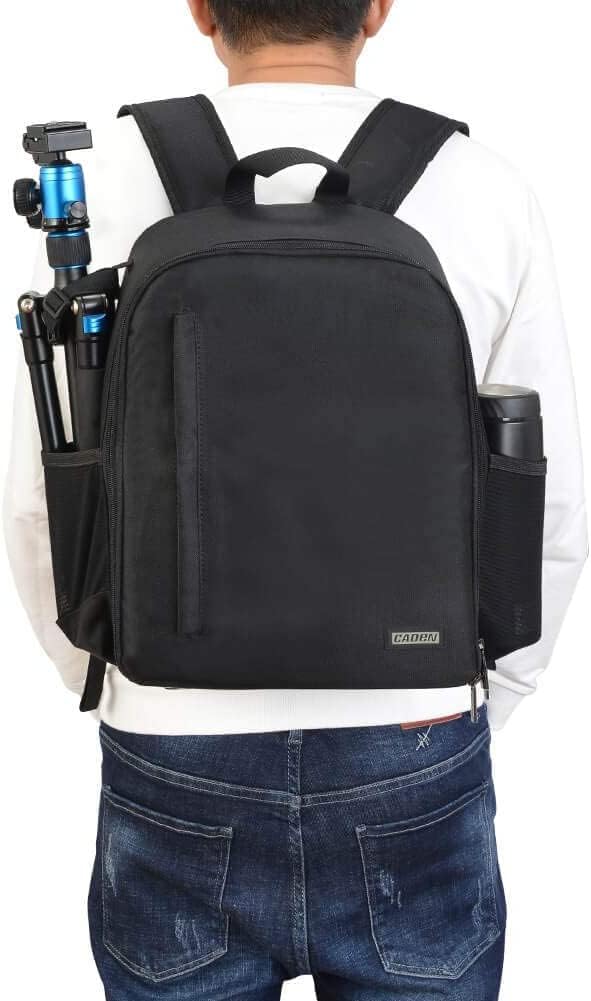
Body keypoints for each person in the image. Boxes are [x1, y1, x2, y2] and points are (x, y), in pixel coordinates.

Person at [4, 2, 588, 998]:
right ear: (378, 8)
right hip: (413, 731)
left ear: (201, 9)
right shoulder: (483, 184)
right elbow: (546, 499)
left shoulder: (101, 178)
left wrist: (106, 671)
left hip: (172, 735)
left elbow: (39, 490)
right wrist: (478, 701)